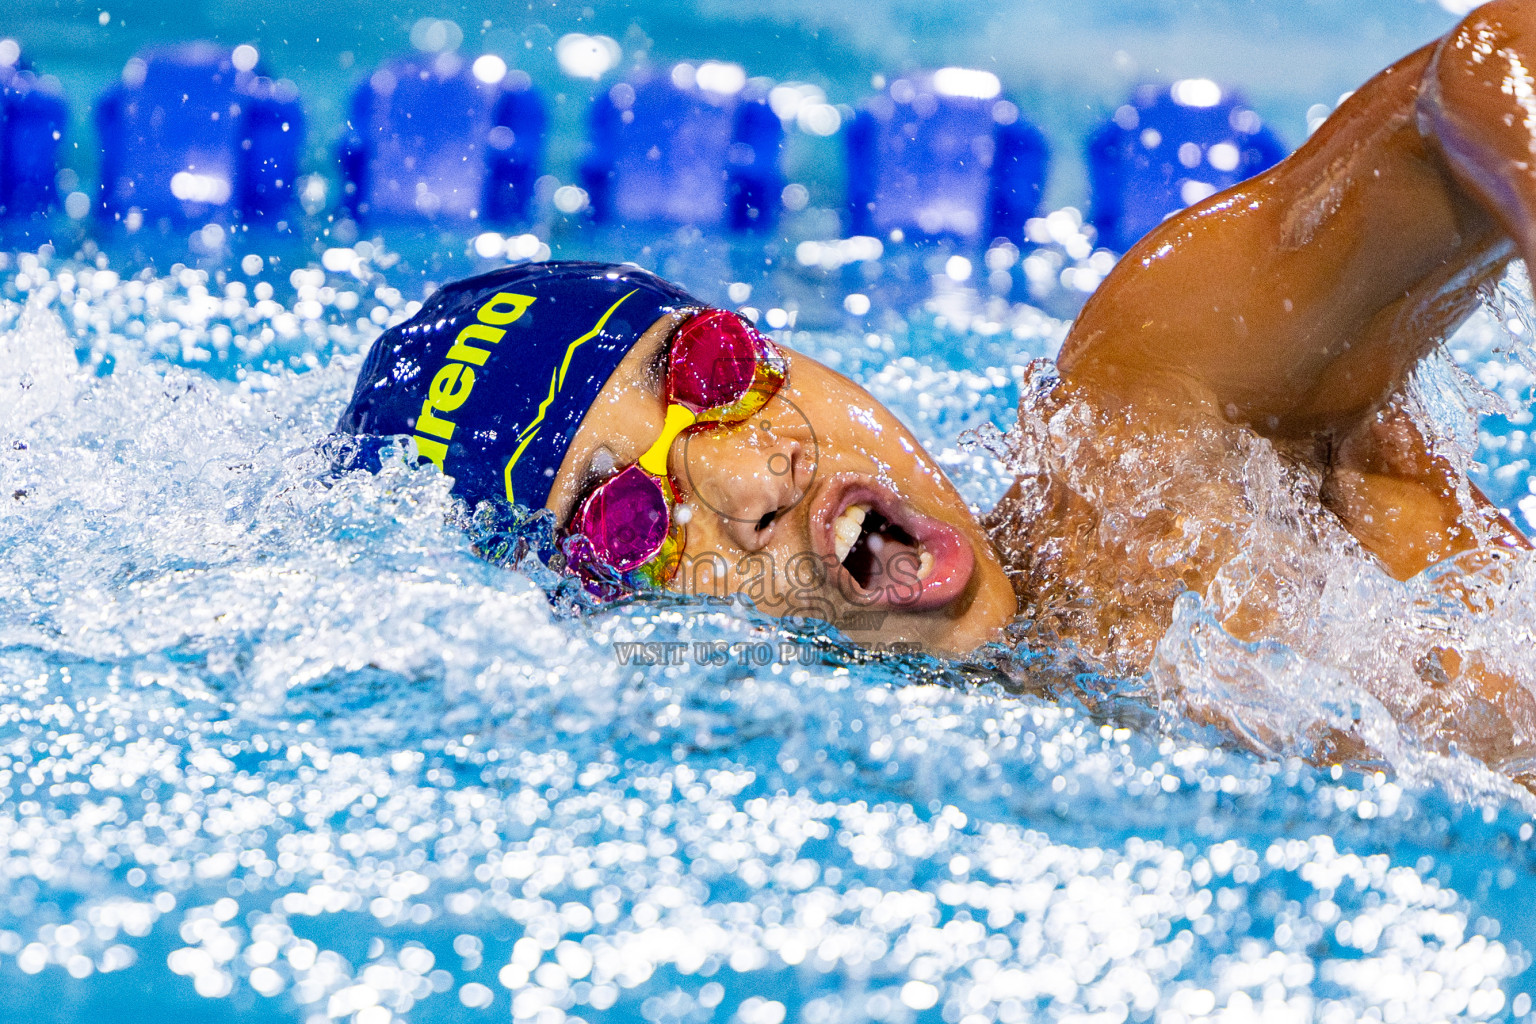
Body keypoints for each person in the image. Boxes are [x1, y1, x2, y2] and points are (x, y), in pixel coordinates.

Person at [342, 2, 1536, 773]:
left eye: (706, 369)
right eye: (626, 520)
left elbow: (1494, 63)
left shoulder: (1149, 438)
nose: (754, 473)